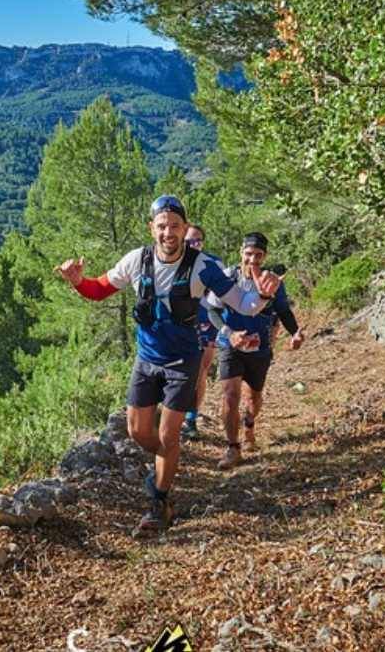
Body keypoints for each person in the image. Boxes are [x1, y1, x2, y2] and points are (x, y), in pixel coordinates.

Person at [55, 196, 279, 536]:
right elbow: (101, 289)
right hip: (146, 359)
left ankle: (159, 503)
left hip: (183, 362)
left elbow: (244, 304)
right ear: (152, 228)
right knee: (137, 432)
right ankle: (167, 460)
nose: (168, 232)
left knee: (167, 434)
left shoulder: (203, 266)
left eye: (175, 226)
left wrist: (263, 295)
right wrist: (77, 281)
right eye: (162, 226)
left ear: (184, 228)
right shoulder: (137, 260)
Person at [205, 232, 304, 470]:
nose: (253, 260)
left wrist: (295, 332)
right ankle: (232, 447)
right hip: (231, 345)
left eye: (258, 255)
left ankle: (249, 425)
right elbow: (212, 310)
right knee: (230, 394)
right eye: (249, 254)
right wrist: (229, 333)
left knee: (253, 397)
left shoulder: (273, 282)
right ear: (241, 252)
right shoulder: (228, 277)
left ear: (265, 256)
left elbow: (283, 311)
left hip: (260, 347)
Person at [181, 224, 218, 442]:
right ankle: (172, 414)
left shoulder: (213, 263)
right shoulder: (170, 262)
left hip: (206, 322)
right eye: (188, 242)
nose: (193, 245)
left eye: (197, 241)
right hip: (179, 324)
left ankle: (191, 419)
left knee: (200, 371)